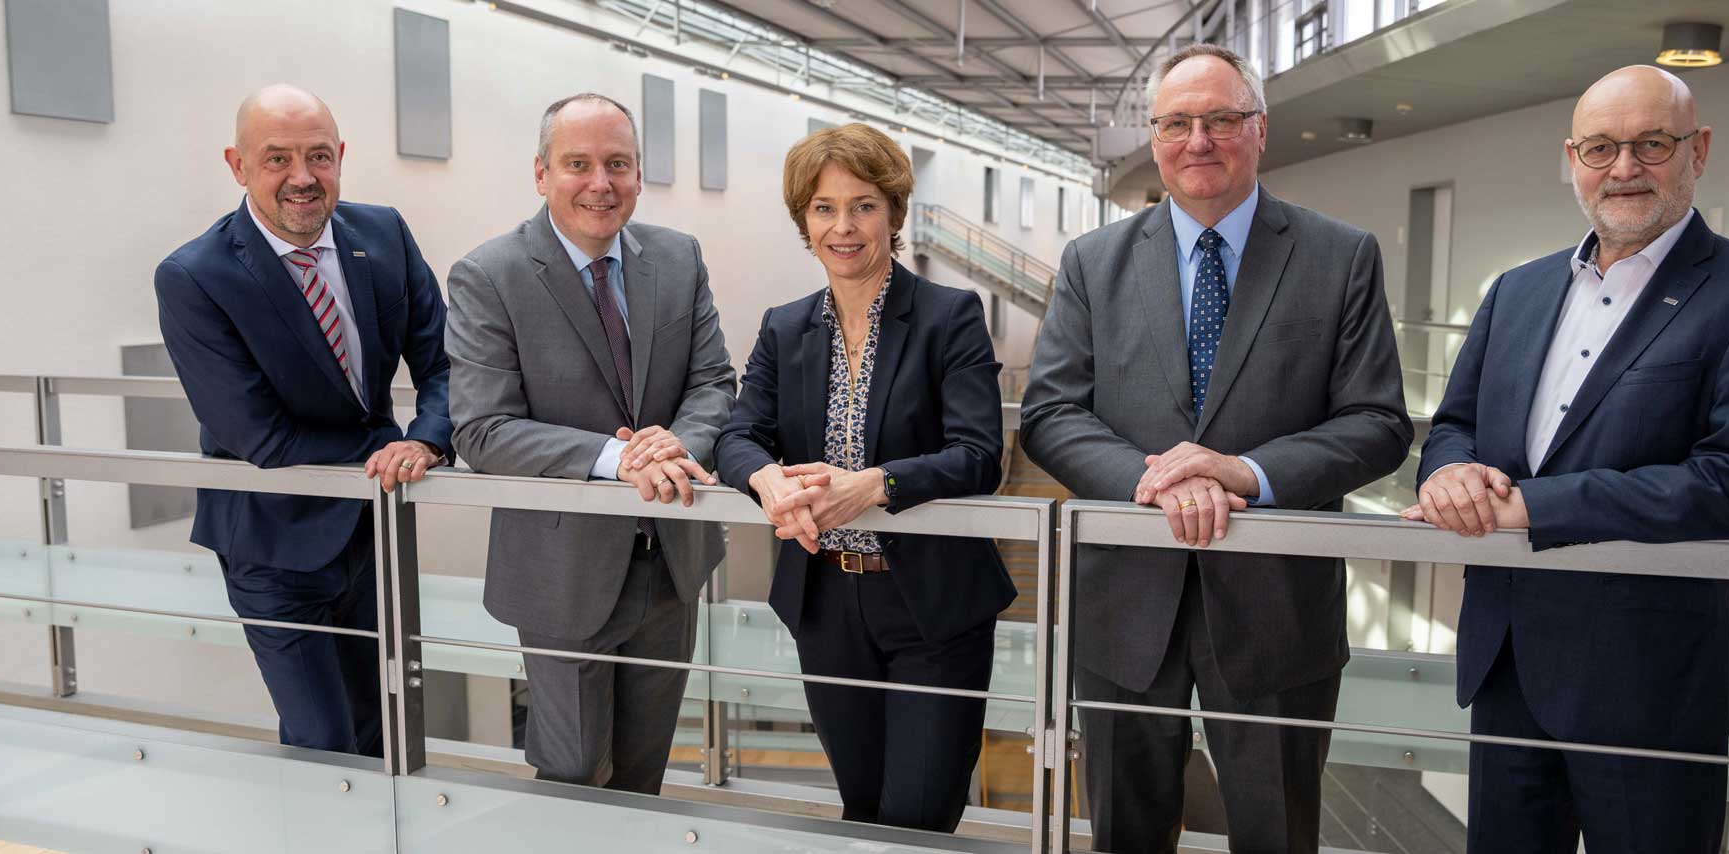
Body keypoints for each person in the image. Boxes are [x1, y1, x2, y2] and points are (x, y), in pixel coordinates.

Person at [1405, 66, 1729, 854]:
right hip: (1508, 664)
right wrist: (1448, 472)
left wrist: (1536, 506)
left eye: (1650, 144)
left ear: (1697, 151)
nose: (1623, 168)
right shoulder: (1515, 292)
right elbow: (1454, 425)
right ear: (1572, 158)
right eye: (1600, 148)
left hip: (1650, 679)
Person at [1018, 44, 1410, 852]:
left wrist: (1243, 473)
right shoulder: (1094, 262)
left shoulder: (1340, 256)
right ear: (1155, 139)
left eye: (1222, 119)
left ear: (1260, 130)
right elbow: (1052, 412)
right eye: (1177, 123)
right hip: (1125, 605)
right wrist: (1158, 481)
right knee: (1125, 834)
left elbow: (1377, 422)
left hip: (1276, 611)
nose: (1199, 140)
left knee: (1277, 836)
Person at [715, 123, 1015, 832]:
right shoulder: (784, 328)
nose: (843, 227)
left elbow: (979, 454)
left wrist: (873, 484)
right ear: (804, 221)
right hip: (825, 604)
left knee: (918, 817)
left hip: (931, 607)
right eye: (824, 208)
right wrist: (767, 481)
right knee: (860, 808)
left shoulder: (949, 316)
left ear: (895, 213)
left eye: (863, 206)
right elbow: (736, 435)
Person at [446, 93, 737, 794]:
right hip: (561, 571)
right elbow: (482, 429)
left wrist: (677, 445)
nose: (599, 183)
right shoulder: (489, 275)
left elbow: (715, 383)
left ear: (638, 175)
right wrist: (620, 460)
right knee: (572, 776)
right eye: (578, 164)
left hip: (670, 560)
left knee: (644, 775)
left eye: (618, 164)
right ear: (541, 174)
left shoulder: (678, 257)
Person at [154, 84, 453, 757]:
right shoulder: (194, 277)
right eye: (277, 158)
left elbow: (447, 361)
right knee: (323, 745)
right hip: (273, 544)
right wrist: (393, 443)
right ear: (237, 165)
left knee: (387, 734)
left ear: (341, 156)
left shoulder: (383, 234)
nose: (302, 177)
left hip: (373, 530)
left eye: (319, 156)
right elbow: (261, 435)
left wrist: (430, 437)